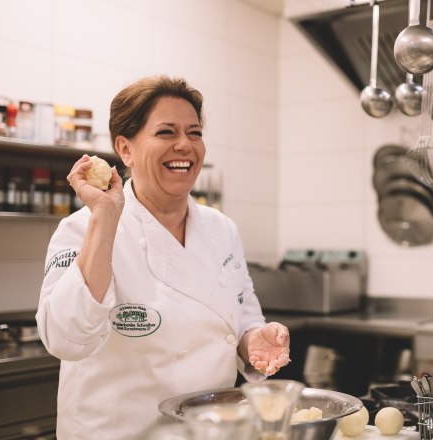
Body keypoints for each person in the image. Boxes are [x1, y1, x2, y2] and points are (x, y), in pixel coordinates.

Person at [36, 75, 291, 439]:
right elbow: (66, 338)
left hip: (209, 430)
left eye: (195, 133)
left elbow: (242, 313)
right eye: (166, 133)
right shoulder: (82, 229)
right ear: (125, 150)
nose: (185, 145)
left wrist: (254, 340)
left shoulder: (222, 229)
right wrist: (105, 219)